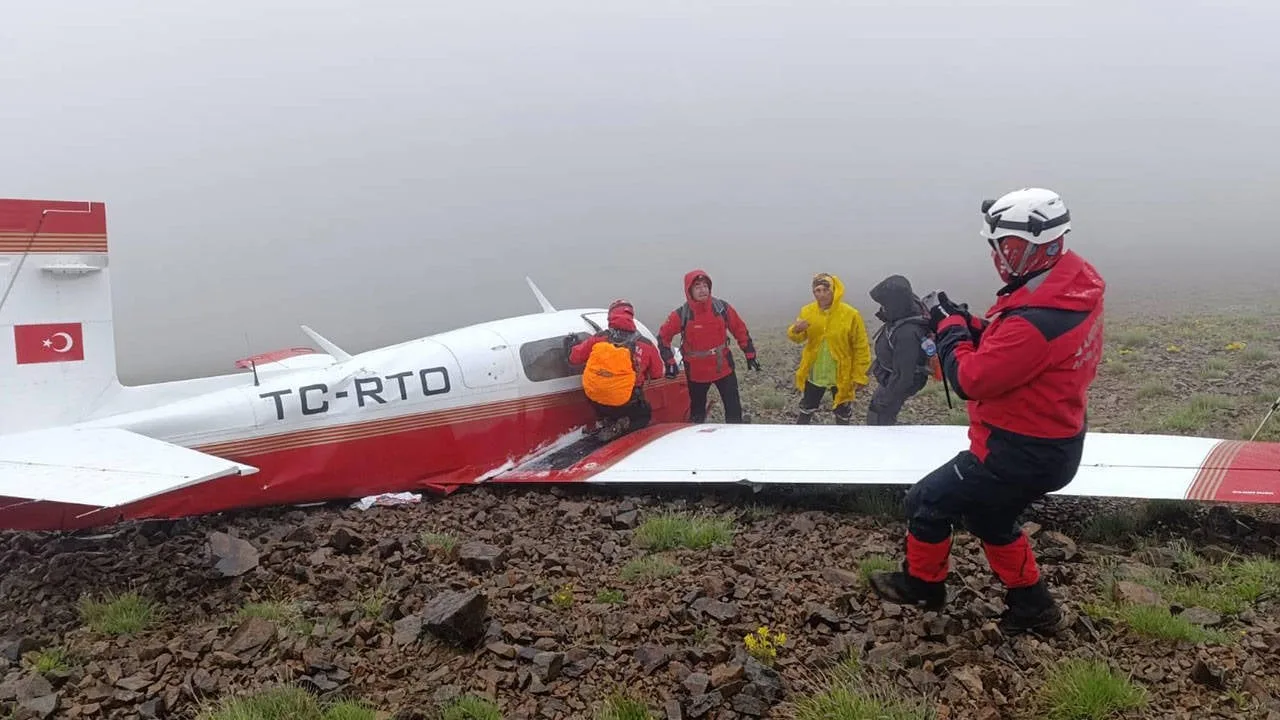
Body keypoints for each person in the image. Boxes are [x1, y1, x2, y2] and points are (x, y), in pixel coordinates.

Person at [867, 187, 1105, 636]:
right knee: (989, 517)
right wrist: (972, 324)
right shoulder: (1067, 290)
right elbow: (1013, 344)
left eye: (1001, 246)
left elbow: (969, 379)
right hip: (1054, 441)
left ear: (1026, 246)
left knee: (926, 501)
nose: (997, 256)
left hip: (1016, 451)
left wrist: (952, 328)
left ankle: (923, 585)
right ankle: (1033, 607)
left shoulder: (1037, 319)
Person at [657, 269, 760, 423]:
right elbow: (663, 338)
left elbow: (739, 329)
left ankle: (736, 439)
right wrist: (670, 363)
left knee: (734, 410)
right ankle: (698, 442)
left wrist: (750, 353)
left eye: (705, 285)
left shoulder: (721, 308)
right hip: (697, 373)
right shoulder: (681, 314)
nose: (702, 289)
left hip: (723, 368)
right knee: (697, 414)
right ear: (689, 290)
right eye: (697, 286)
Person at [568, 299, 665, 439]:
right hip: (627, 404)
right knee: (644, 415)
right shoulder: (646, 344)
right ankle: (623, 424)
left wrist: (573, 344)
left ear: (610, 317)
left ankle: (608, 421)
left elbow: (574, 358)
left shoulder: (599, 338)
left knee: (604, 400)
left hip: (596, 401)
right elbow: (657, 373)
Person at [786, 273, 871, 424]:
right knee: (806, 408)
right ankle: (799, 441)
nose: (822, 295)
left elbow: (861, 346)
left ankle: (841, 443)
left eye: (826, 290)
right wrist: (796, 330)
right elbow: (798, 338)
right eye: (817, 291)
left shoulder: (850, 314)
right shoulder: (807, 311)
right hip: (815, 371)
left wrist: (860, 375)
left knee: (843, 413)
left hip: (841, 373)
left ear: (834, 290)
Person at [866, 274, 933, 425]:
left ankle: (883, 443)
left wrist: (886, 401)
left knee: (879, 419)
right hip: (891, 378)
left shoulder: (907, 334)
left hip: (896, 382)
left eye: (885, 304)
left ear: (895, 303)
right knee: (878, 413)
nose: (882, 308)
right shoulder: (904, 311)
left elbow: (904, 376)